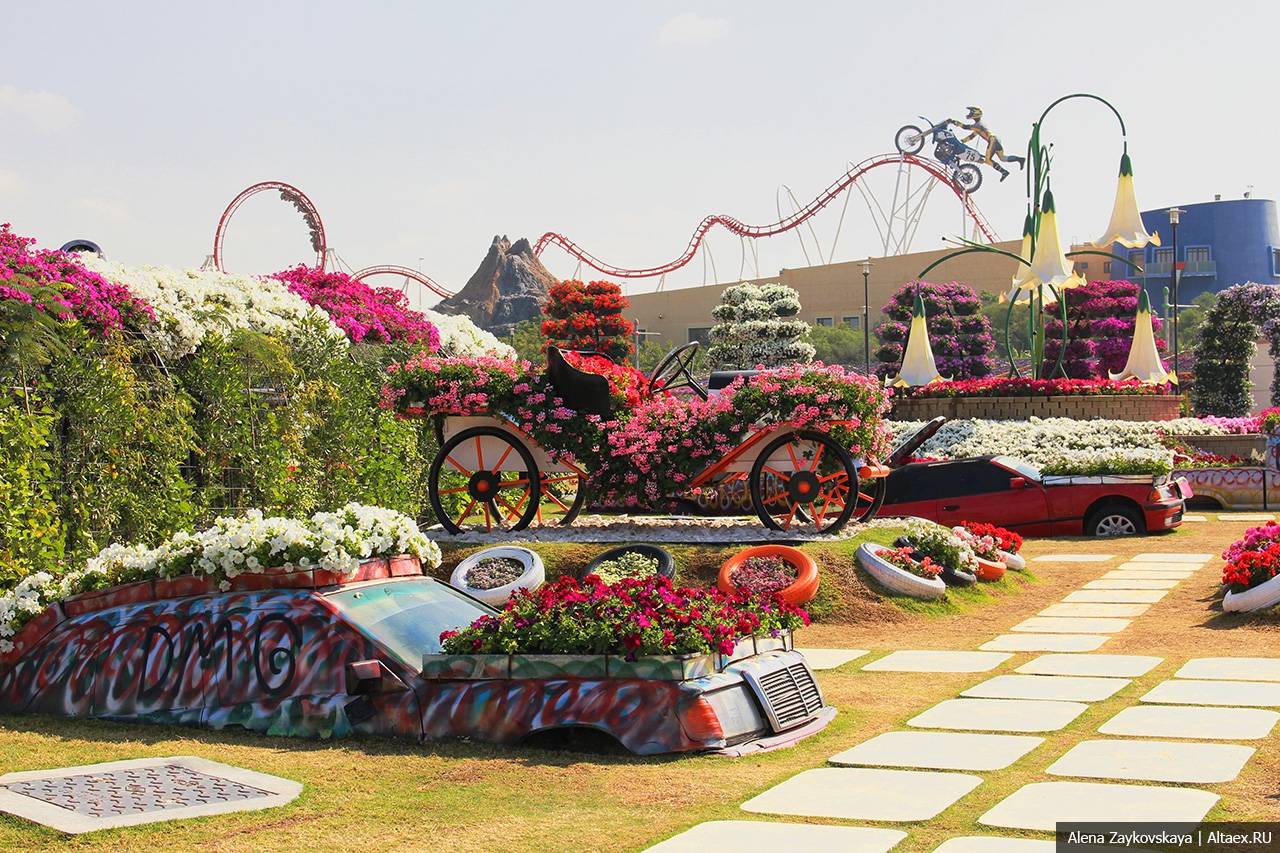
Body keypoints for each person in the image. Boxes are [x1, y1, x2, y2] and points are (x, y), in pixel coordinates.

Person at [956, 106, 1024, 182]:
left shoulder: (978, 125)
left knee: (988, 160)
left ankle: (1004, 172)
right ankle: (1020, 159)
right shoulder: (979, 125)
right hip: (996, 139)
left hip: (992, 140)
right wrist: (962, 141)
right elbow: (971, 136)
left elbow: (965, 127)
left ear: (975, 114)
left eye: (971, 112)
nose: (969, 114)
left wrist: (954, 122)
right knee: (1003, 158)